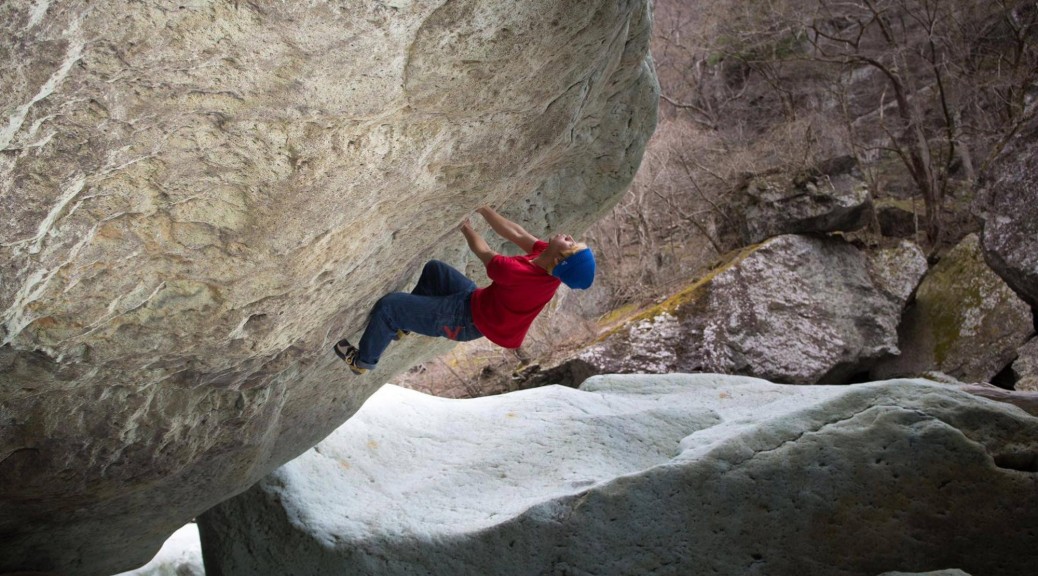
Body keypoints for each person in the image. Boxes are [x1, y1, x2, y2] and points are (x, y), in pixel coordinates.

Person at [334, 206, 596, 375]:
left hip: (465, 321)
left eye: (570, 244)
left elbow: (483, 252)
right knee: (435, 270)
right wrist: (483, 208)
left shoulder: (520, 275)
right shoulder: (544, 258)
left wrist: (464, 225)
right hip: (476, 301)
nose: (569, 237)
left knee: (389, 307)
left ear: (561, 259)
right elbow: (516, 233)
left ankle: (363, 362)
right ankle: (404, 325)